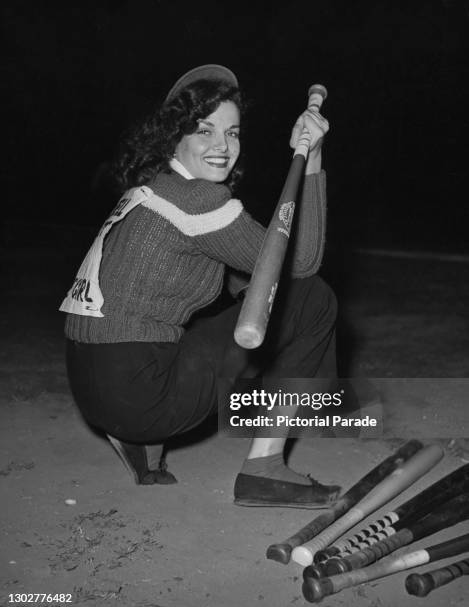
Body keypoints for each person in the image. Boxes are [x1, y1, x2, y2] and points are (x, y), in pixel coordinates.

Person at [60, 64, 341, 508]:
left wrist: (258, 297)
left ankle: (140, 442)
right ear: (175, 136)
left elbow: (239, 274)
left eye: (232, 133)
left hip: (92, 386)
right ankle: (264, 470)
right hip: (139, 390)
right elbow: (302, 263)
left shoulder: (151, 192)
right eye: (204, 130)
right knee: (313, 299)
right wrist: (315, 159)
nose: (221, 146)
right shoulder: (198, 201)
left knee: (266, 294)